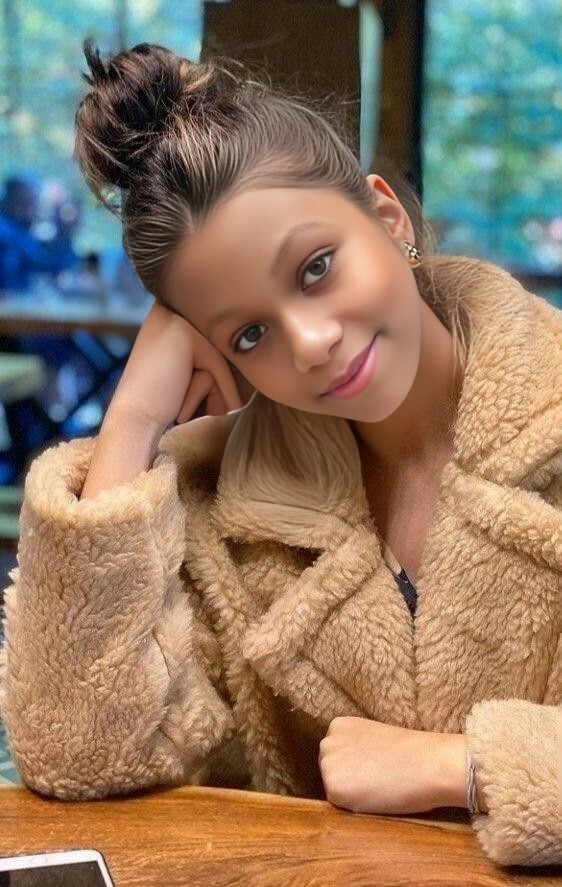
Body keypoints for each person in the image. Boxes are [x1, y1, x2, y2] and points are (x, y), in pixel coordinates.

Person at [0, 40, 560, 869]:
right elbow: (76, 757)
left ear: (388, 219)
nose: (310, 342)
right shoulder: (222, 498)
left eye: (316, 267)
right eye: (249, 333)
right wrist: (133, 418)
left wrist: (466, 765)